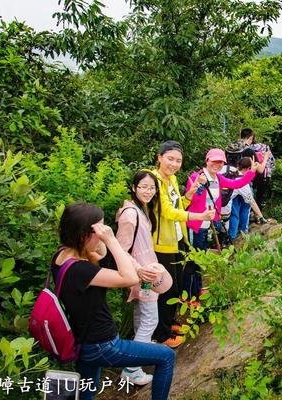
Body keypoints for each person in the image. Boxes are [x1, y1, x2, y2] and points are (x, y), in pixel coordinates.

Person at [53, 202, 175, 400]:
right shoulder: (81, 271)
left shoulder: (62, 256)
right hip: (102, 344)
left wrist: (103, 240)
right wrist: (111, 240)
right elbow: (128, 278)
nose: (102, 233)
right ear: (84, 234)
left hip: (83, 341)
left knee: (86, 392)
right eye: (98, 230)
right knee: (166, 356)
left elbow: (99, 254)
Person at [150, 141, 215, 348]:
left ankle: (169, 322)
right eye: (170, 159)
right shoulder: (155, 180)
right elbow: (167, 212)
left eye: (178, 160)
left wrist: (190, 193)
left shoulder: (173, 180)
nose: (174, 164)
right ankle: (161, 334)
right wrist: (201, 215)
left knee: (177, 285)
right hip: (161, 244)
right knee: (166, 290)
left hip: (178, 239)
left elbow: (180, 205)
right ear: (159, 157)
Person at [115, 170, 173, 385]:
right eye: (143, 187)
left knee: (142, 317)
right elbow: (121, 249)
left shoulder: (141, 210)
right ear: (134, 188)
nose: (148, 191)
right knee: (150, 319)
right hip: (142, 273)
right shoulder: (130, 215)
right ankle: (131, 369)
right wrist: (138, 271)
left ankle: (137, 358)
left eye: (152, 187)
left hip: (145, 270)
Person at [185, 148, 257, 252]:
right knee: (195, 254)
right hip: (196, 223)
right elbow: (190, 200)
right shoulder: (196, 177)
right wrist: (199, 186)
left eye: (221, 162)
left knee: (204, 252)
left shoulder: (218, 178)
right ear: (207, 161)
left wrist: (251, 172)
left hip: (210, 224)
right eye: (214, 161)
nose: (217, 164)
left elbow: (236, 184)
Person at [240, 128, 275, 213]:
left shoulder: (233, 147)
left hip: (232, 180)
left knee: (236, 207)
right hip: (246, 181)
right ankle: (257, 218)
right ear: (251, 137)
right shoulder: (249, 150)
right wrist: (265, 158)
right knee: (246, 207)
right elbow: (261, 170)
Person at [228, 157, 258, 241]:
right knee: (236, 215)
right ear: (248, 168)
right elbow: (251, 201)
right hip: (226, 202)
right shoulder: (242, 181)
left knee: (234, 213)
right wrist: (261, 217)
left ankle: (230, 237)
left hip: (225, 199)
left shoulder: (231, 171)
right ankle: (236, 237)